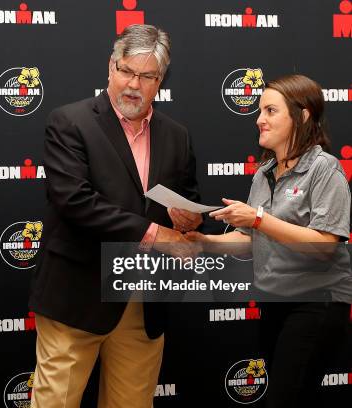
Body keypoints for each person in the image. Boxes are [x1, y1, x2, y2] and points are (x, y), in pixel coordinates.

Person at [28, 24, 202, 408]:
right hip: (77, 294)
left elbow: (188, 196)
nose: (133, 85)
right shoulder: (70, 122)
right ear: (110, 66)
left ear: (161, 80)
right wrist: (156, 234)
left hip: (143, 304)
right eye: (126, 71)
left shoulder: (177, 135)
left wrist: (189, 218)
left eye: (146, 76)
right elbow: (74, 201)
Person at [187, 74, 352, 407]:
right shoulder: (263, 173)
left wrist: (259, 219)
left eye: (270, 111)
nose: (259, 119)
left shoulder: (325, 169)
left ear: (302, 115)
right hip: (275, 301)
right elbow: (251, 240)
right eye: (259, 110)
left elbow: (324, 245)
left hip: (317, 302)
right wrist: (203, 242)